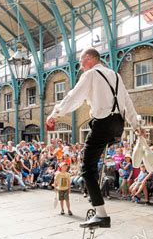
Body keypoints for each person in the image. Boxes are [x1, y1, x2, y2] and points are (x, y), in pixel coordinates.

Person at [46, 47, 143, 228]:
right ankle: (97, 197)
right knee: (94, 154)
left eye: (82, 62)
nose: (81, 67)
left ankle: (101, 213)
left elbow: (73, 97)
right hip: (118, 125)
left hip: (103, 123)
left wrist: (54, 114)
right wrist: (136, 126)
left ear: (90, 58)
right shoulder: (116, 75)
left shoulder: (91, 75)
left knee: (86, 168)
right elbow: (127, 102)